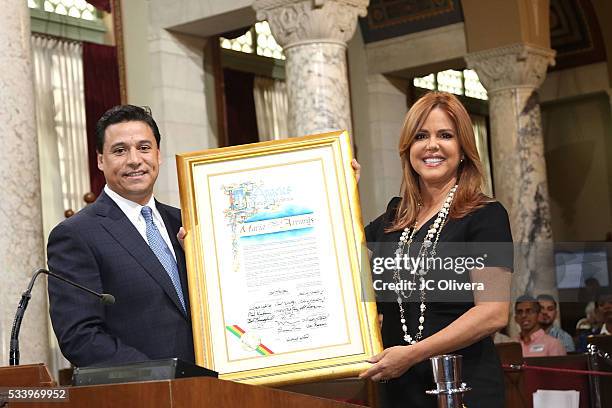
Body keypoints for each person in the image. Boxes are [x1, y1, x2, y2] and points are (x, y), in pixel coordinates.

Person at [359, 91, 513, 408]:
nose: (432, 146)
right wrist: (341, 186)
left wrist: (413, 354)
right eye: (421, 136)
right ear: (408, 149)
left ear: (463, 149)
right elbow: (339, 257)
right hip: (399, 390)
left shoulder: (486, 215)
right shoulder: (392, 218)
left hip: (462, 388)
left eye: (445, 135)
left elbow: (493, 313)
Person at [47, 105, 194, 367]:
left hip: (218, 386)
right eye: (120, 150)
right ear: (100, 160)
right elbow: (80, 337)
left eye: (144, 147)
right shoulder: (75, 235)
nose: (135, 159)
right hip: (142, 394)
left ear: (158, 155)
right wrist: (156, 376)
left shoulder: (188, 223)